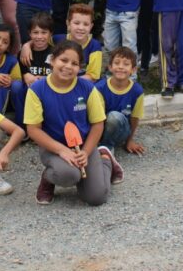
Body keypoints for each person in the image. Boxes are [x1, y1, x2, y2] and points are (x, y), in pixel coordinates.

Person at [24, 40, 120, 206]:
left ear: (79, 67)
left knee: (96, 198)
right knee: (69, 175)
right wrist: (62, 150)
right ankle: (48, 178)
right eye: (63, 60)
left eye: (75, 63)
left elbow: (98, 124)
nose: (68, 66)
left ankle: (105, 159)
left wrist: (86, 151)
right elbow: (33, 130)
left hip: (83, 147)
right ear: (52, 60)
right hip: (53, 148)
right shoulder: (37, 89)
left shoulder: (88, 88)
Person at [95, 47, 145, 164]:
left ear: (133, 69)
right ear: (110, 67)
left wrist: (130, 140)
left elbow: (134, 118)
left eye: (126, 64)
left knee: (114, 117)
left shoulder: (137, 91)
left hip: (121, 131)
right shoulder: (99, 88)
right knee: (109, 117)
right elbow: (97, 119)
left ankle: (106, 148)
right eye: (116, 63)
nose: (121, 67)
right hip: (100, 128)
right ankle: (100, 145)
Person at [10, 11, 54, 129]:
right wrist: (26, 75)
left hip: (47, 90)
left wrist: (46, 79)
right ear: (29, 33)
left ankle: (46, 126)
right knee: (16, 86)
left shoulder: (55, 53)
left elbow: (58, 75)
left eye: (44, 32)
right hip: (29, 90)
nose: (39, 36)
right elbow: (23, 74)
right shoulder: (24, 53)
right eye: (35, 32)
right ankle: (21, 125)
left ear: (50, 34)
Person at [48, 4, 103, 82]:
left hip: (81, 86)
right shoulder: (58, 39)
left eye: (86, 24)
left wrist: (69, 80)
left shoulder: (95, 46)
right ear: (68, 24)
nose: (81, 28)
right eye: (76, 23)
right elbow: (41, 40)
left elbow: (93, 77)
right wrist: (28, 45)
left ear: (91, 26)